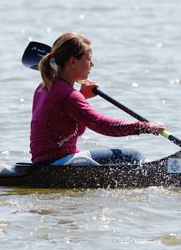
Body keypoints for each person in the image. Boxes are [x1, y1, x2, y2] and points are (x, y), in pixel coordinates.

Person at [30, 32, 165, 166]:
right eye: (88, 59)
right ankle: (158, 174)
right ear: (72, 62)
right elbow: (103, 126)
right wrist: (145, 127)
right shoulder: (68, 95)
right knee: (133, 156)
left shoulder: (44, 86)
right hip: (56, 163)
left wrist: (82, 96)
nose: (92, 64)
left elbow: (63, 123)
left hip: (43, 162)